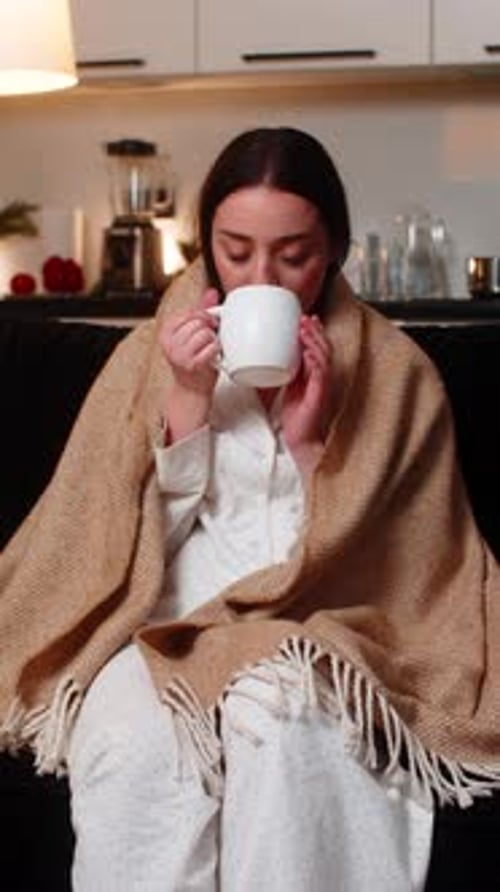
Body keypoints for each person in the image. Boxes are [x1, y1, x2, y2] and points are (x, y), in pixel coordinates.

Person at [1, 127, 500, 892]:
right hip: (165, 624)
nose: (260, 276)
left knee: (283, 724)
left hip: (318, 625)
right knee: (138, 750)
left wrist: (310, 446)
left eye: (292, 255)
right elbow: (115, 549)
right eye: (236, 252)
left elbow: (402, 568)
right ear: (205, 245)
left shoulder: (399, 378)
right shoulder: (149, 359)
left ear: (334, 247)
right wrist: (189, 404)